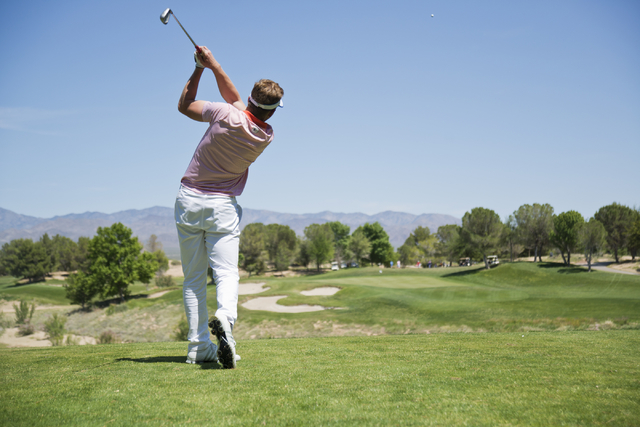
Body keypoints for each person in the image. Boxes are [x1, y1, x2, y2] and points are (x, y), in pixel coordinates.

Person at [174, 46, 284, 368]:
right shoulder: (266, 134)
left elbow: (185, 106)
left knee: (194, 278)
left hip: (189, 200)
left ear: (250, 101)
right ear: (273, 111)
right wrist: (215, 66)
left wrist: (199, 68)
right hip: (223, 206)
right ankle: (225, 320)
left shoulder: (224, 114)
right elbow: (238, 101)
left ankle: (198, 347)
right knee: (226, 273)